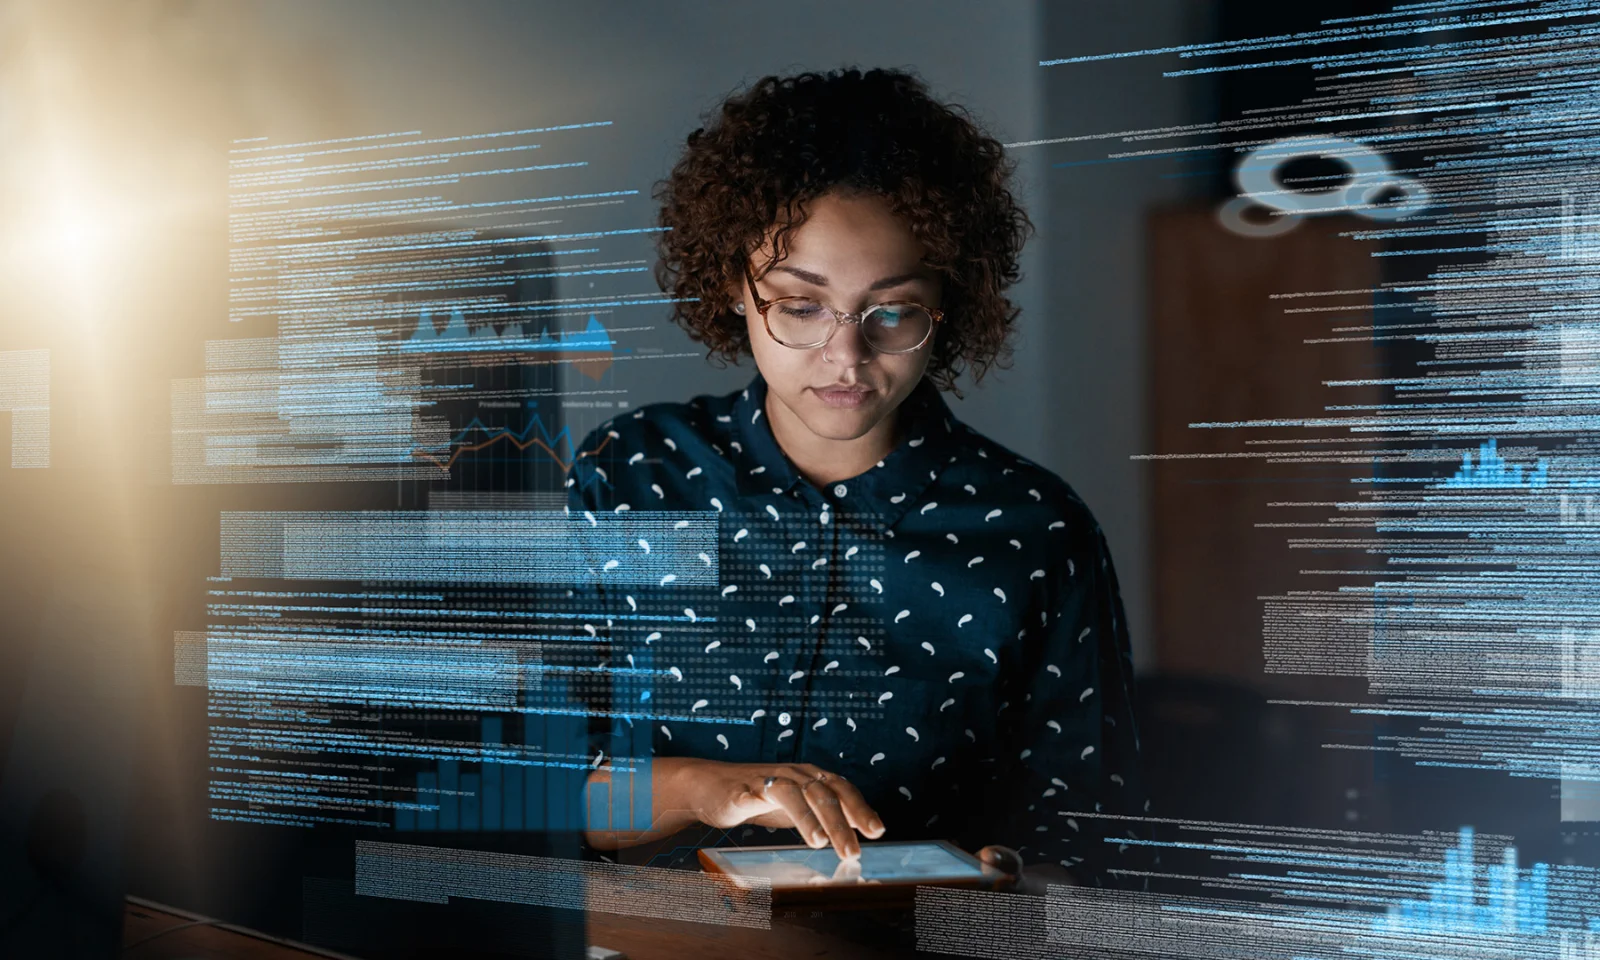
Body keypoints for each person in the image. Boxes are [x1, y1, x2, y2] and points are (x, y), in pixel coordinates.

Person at [566, 66, 1149, 893]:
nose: (846, 357)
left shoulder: (1037, 530)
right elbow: (537, 786)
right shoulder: (631, 475)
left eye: (893, 311)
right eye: (800, 306)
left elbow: (1094, 837)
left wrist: (1023, 884)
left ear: (948, 301)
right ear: (737, 288)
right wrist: (714, 787)